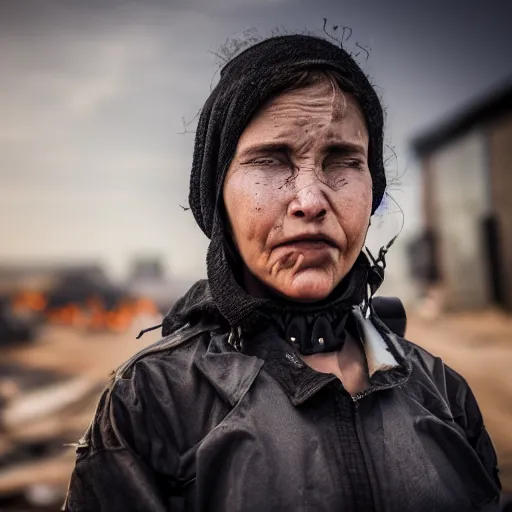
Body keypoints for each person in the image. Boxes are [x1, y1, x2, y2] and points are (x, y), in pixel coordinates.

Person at [63, 34, 501, 511]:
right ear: (217, 199)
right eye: (270, 160)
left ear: (371, 191)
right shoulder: (152, 402)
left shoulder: (442, 391)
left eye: (342, 161)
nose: (310, 201)